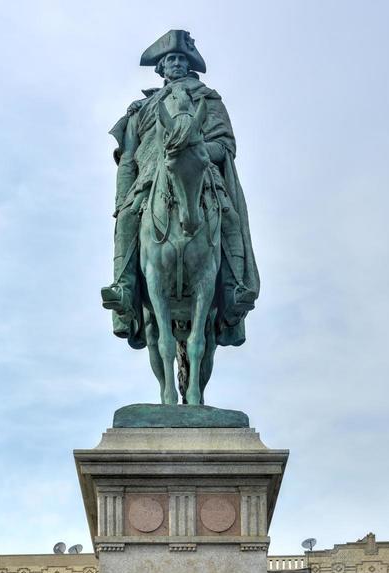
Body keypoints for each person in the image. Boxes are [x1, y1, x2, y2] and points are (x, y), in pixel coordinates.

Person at [101, 29, 259, 351]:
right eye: (169, 59)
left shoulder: (207, 99)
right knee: (129, 218)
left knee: (227, 214)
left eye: (180, 59)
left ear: (190, 66)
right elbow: (129, 158)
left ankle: (234, 289)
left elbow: (225, 144)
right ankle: (125, 289)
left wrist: (197, 150)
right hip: (150, 180)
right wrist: (122, 197)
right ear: (160, 69)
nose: (175, 63)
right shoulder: (140, 110)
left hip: (201, 174)